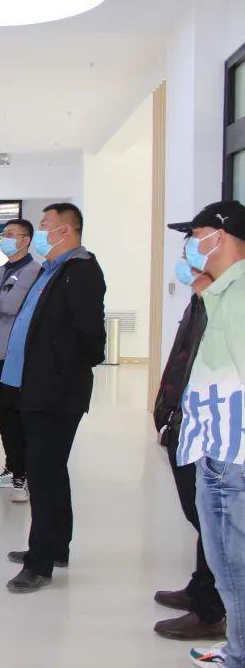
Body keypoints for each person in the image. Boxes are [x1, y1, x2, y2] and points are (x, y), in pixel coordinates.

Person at [1, 203, 106, 594]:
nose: (40, 231)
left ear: (66, 230)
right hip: (35, 387)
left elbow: (91, 335)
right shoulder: (53, 269)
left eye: (45, 225)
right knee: (50, 471)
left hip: (54, 391)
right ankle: (57, 545)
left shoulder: (81, 270)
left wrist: (61, 370)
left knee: (43, 475)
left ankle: (39, 562)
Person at [169, 201, 245, 667]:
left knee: (234, 567)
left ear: (220, 236)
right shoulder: (224, 292)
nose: (189, 247)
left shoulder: (240, 295)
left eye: (196, 236)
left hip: (233, 457)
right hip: (218, 451)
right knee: (227, 565)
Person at [150, 240, 225, 641]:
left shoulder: (226, 303)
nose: (184, 260)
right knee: (201, 515)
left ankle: (211, 611)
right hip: (183, 420)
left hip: (211, 427)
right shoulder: (200, 299)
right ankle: (201, 587)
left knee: (212, 519)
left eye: (193, 247)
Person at [0, 219, 41, 501]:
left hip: (17, 355)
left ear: (26, 240)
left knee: (16, 415)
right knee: (2, 415)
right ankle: (13, 468)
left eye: (12, 234)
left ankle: (23, 476)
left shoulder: (33, 270)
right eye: (4, 234)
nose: (6, 238)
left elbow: (12, 305)